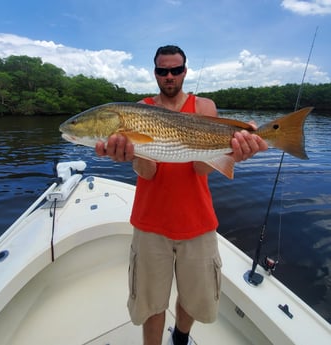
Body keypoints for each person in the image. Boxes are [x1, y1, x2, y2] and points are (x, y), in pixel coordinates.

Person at [95, 45, 268, 345]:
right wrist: (131, 155)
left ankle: (180, 338)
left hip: (197, 222)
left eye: (176, 70)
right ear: (156, 74)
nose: (170, 76)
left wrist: (231, 152)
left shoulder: (204, 107)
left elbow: (200, 168)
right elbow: (149, 172)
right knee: (151, 304)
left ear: (185, 71)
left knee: (192, 299)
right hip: (150, 223)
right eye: (163, 71)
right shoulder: (140, 109)